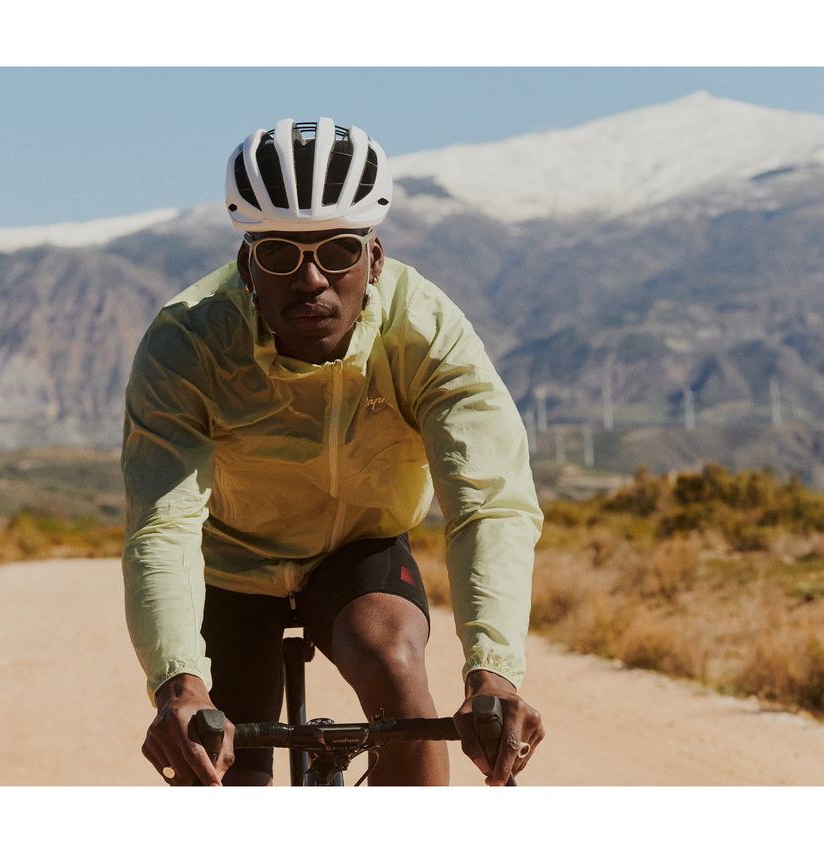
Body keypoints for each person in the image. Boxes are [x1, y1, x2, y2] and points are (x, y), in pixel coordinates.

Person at [122, 117, 545, 786]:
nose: (313, 277)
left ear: (374, 259)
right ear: (246, 265)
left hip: (359, 551)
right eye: (281, 254)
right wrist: (178, 683)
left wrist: (493, 673)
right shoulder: (188, 342)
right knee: (214, 758)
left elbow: (489, 503)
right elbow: (164, 524)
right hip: (229, 562)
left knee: (398, 673)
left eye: (340, 250)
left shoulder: (426, 330)